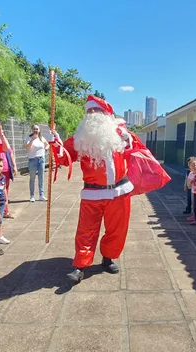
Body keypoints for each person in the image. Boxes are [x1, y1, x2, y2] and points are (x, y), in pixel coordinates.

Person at [49, 95, 137, 284]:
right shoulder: (80, 138)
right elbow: (65, 158)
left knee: (117, 230)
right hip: (92, 193)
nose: (92, 114)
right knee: (85, 231)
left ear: (106, 114)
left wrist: (128, 139)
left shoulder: (120, 134)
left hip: (120, 192)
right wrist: (55, 144)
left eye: (96, 111)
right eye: (89, 111)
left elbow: (136, 150)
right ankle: (80, 265)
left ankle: (108, 257)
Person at [0, 119, 17, 219]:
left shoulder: (3, 138)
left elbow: (10, 151)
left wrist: (14, 165)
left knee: (5, 190)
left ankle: (5, 211)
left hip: (5, 167)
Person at [25, 124, 49, 202]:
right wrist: (32, 140)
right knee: (32, 178)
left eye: (37, 129)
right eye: (34, 129)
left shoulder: (41, 138)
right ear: (32, 130)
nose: (35, 130)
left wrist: (46, 148)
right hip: (32, 160)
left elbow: (47, 144)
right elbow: (27, 148)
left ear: (39, 130)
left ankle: (41, 195)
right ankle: (32, 196)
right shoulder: (29, 138)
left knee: (41, 178)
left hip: (41, 159)